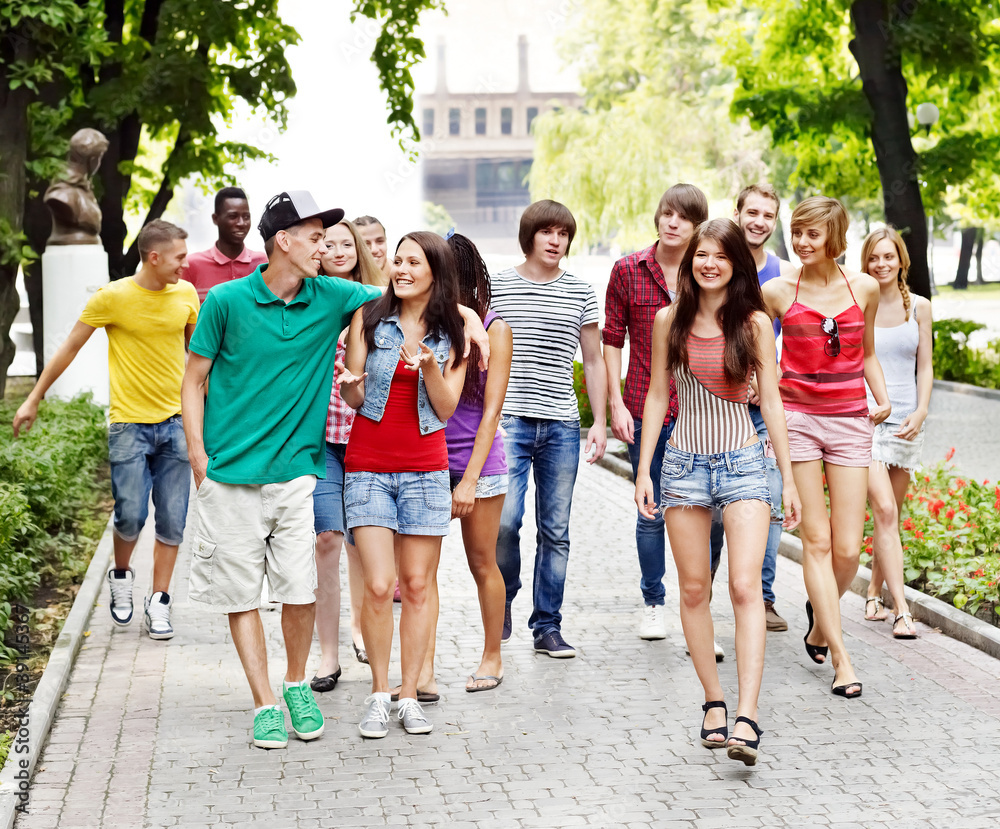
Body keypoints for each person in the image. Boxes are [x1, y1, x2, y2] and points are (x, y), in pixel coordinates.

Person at [181, 191, 385, 751]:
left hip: (296, 475)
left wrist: (464, 311)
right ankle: (264, 703)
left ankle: (296, 684)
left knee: (299, 591)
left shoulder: (332, 296)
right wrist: (199, 457)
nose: (328, 248)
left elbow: (404, 295)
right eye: (317, 238)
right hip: (229, 477)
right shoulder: (224, 302)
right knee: (241, 595)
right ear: (283, 242)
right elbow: (193, 380)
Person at [634, 218, 800, 767]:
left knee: (746, 587)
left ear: (736, 263)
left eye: (719, 256)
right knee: (692, 590)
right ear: (690, 262)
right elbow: (658, 394)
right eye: (700, 255)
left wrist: (789, 477)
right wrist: (643, 471)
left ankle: (748, 716)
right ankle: (713, 701)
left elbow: (771, 403)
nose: (708, 263)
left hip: (745, 464)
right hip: (682, 466)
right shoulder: (667, 321)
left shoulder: (752, 322)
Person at [14, 220, 198, 640]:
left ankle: (160, 601)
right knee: (130, 516)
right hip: (128, 426)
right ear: (154, 257)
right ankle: (120, 574)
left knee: (172, 520)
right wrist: (34, 397)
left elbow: (198, 356)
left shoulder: (186, 296)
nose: (184, 266)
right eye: (179, 258)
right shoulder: (113, 297)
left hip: (175, 424)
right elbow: (71, 345)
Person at [338, 231, 467, 739]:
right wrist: (352, 388)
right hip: (367, 463)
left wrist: (431, 366)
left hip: (425, 469)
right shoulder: (368, 318)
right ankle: (377, 692)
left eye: (414, 261)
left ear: (436, 270)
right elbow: (356, 397)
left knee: (416, 586)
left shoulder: (453, 331)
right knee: (377, 584)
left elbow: (446, 407)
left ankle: (409, 694)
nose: (402, 269)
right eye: (398, 260)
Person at [761, 196, 891, 700]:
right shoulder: (776, 291)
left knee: (846, 549)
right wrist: (759, 383)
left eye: (812, 233)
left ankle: (819, 624)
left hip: (850, 423)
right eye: (796, 232)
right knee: (815, 542)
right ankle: (842, 659)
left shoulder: (865, 289)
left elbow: (868, 353)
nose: (801, 242)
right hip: (798, 421)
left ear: (834, 237)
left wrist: (881, 399)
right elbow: (755, 345)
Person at [492, 199, 607, 658]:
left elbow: (594, 360)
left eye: (563, 234)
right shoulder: (498, 286)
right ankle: (503, 594)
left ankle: (547, 626)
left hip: (560, 423)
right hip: (509, 423)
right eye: (547, 232)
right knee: (505, 521)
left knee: (555, 530)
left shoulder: (581, 291)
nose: (556, 241)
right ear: (530, 235)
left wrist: (598, 421)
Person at [604, 184, 708, 642]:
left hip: (703, 411)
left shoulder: (708, 270)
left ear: (696, 225)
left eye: (683, 218)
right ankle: (653, 602)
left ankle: (699, 605)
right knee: (651, 507)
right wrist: (614, 404)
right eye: (666, 213)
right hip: (646, 407)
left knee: (708, 511)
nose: (672, 223)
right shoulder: (628, 269)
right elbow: (612, 339)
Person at [310, 220, 388, 694]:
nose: (337, 250)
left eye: (345, 243)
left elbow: (430, 300)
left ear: (358, 250)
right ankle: (328, 655)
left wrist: (470, 321)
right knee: (326, 541)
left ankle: (361, 629)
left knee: (364, 546)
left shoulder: (375, 301)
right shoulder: (310, 299)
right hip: (321, 442)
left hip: (366, 438)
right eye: (327, 243)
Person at [726, 183, 798, 632]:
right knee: (716, 511)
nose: (759, 221)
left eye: (767, 215)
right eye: (752, 212)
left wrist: (772, 377)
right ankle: (710, 592)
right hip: (718, 405)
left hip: (764, 405)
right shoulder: (716, 263)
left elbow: (798, 337)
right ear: (737, 213)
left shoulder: (786, 273)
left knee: (770, 500)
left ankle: (765, 598)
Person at [446, 232, 513, 691]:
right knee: (416, 574)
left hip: (479, 465)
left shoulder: (494, 327)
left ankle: (493, 657)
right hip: (424, 465)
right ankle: (419, 671)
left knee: (482, 563)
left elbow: (492, 411)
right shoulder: (419, 323)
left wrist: (468, 481)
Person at [859, 227, 931, 639]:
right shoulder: (859, 303)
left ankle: (872, 591)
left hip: (907, 423)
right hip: (867, 423)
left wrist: (921, 411)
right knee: (884, 511)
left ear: (901, 260)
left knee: (891, 516)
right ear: (866, 262)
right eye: (874, 258)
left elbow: (925, 365)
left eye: (889, 257)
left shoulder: (919, 307)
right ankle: (902, 611)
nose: (882, 265)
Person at [183, 187, 268, 302]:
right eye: (233, 216)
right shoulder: (191, 265)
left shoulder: (262, 263)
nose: (241, 223)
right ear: (215, 219)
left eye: (246, 217)